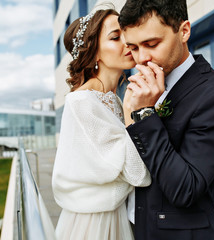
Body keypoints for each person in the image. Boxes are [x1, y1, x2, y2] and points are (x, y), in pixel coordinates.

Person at [118, 0, 214, 239]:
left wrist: (145, 115)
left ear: (184, 31)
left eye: (151, 44)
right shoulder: (137, 89)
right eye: (133, 48)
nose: (141, 59)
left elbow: (185, 189)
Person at [52, 8, 151, 240]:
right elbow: (139, 175)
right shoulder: (83, 102)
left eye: (125, 34)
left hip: (116, 214)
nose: (127, 42)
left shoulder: (113, 100)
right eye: (115, 37)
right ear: (93, 52)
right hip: (95, 223)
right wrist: (132, 112)